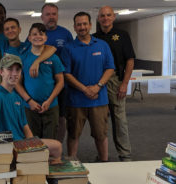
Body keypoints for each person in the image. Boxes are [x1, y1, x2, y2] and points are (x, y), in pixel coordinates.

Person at [0, 54, 62, 163]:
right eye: (10, 69)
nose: (15, 74)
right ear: (1, 72)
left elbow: (25, 127)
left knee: (57, 147)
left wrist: (31, 147)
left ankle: (39, 169)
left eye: (18, 70)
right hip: (10, 146)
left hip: (20, 143)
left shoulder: (16, 96)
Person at [61, 12, 115, 162]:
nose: (82, 27)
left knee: (101, 134)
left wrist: (97, 86)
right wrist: (85, 89)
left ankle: (104, 161)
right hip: (75, 101)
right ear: (74, 27)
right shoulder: (68, 47)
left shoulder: (102, 45)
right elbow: (66, 73)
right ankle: (72, 163)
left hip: (99, 100)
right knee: (73, 134)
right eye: (79, 24)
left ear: (90, 25)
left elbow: (110, 68)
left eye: (85, 24)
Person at [93, 6, 135, 161]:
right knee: (99, 120)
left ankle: (125, 155)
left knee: (119, 120)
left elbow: (130, 60)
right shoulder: (94, 37)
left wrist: (124, 83)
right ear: (98, 18)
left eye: (108, 15)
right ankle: (102, 155)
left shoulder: (122, 35)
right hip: (97, 82)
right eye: (102, 15)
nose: (105, 18)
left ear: (114, 17)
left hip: (115, 81)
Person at [16, 23, 64, 140]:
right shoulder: (23, 57)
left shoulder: (54, 58)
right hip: (30, 107)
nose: (38, 36)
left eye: (41, 34)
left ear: (46, 38)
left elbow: (60, 82)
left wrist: (49, 100)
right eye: (34, 34)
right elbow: (17, 83)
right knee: (32, 141)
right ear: (29, 38)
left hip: (50, 106)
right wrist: (29, 100)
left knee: (50, 140)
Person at [41, 3, 74, 143]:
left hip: (61, 85)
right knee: (41, 116)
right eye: (48, 14)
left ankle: (57, 148)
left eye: (54, 14)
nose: (51, 17)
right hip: (42, 84)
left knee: (61, 118)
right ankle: (40, 148)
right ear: (42, 17)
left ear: (58, 15)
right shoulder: (38, 33)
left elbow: (72, 56)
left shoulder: (65, 34)